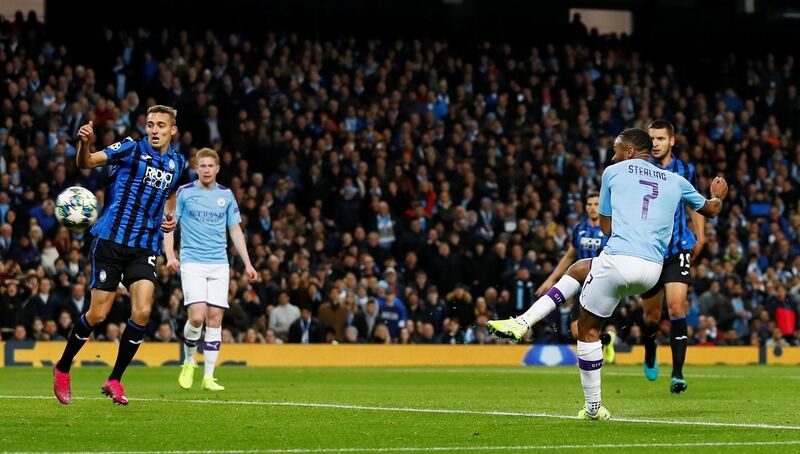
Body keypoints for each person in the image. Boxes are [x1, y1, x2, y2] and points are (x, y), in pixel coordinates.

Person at [491, 128, 726, 419]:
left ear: (629, 151)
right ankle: (525, 323)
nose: (612, 154)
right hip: (652, 271)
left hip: (618, 262)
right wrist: (718, 195)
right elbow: (712, 209)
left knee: (586, 330)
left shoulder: (613, 172)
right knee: (579, 269)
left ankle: (526, 326)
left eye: (616, 149)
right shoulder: (677, 181)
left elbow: (605, 228)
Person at [53, 105, 186, 406]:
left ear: (172, 131)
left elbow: (172, 194)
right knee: (98, 314)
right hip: (111, 240)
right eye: (150, 124)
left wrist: (169, 215)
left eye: (161, 126)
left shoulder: (177, 163)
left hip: (145, 245)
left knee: (142, 311)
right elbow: (86, 162)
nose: (154, 130)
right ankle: (62, 367)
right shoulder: (129, 148)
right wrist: (84, 143)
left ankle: (114, 379)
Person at [164, 148, 257, 392]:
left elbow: (235, 230)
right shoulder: (184, 193)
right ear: (196, 168)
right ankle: (188, 361)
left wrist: (247, 263)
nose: (206, 170)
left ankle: (208, 377)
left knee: (215, 319)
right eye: (202, 165)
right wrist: (170, 255)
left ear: (217, 168)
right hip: (193, 262)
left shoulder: (226, 195)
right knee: (197, 316)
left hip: (219, 264)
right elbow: (169, 225)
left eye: (210, 166)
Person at [638, 120, 705, 393]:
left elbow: (696, 204)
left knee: (677, 308)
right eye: (651, 138)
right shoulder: (639, 169)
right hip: (650, 252)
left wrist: (701, 235)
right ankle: (650, 343)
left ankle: (677, 373)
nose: (655, 143)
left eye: (660, 138)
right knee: (652, 316)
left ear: (672, 141)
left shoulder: (686, 170)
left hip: (678, 249)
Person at [533, 192, 615, 361]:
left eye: (596, 204)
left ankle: (603, 345)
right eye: (589, 204)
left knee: (597, 324)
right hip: (582, 285)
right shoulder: (579, 229)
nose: (592, 208)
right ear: (585, 207)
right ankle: (606, 341)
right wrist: (551, 279)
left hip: (604, 283)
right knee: (577, 331)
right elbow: (570, 255)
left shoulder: (610, 228)